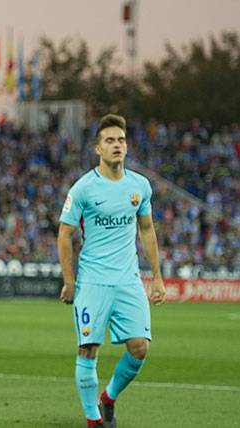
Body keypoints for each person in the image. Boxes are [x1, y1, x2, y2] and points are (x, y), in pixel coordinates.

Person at [57, 114, 167, 427]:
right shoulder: (83, 189)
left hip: (128, 280)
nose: (116, 145)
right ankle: (93, 420)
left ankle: (109, 397)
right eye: (109, 140)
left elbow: (147, 230)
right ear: (97, 148)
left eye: (120, 140)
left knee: (139, 349)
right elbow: (64, 234)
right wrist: (69, 279)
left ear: (126, 145)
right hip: (93, 281)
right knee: (88, 348)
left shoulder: (139, 186)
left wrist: (157, 276)